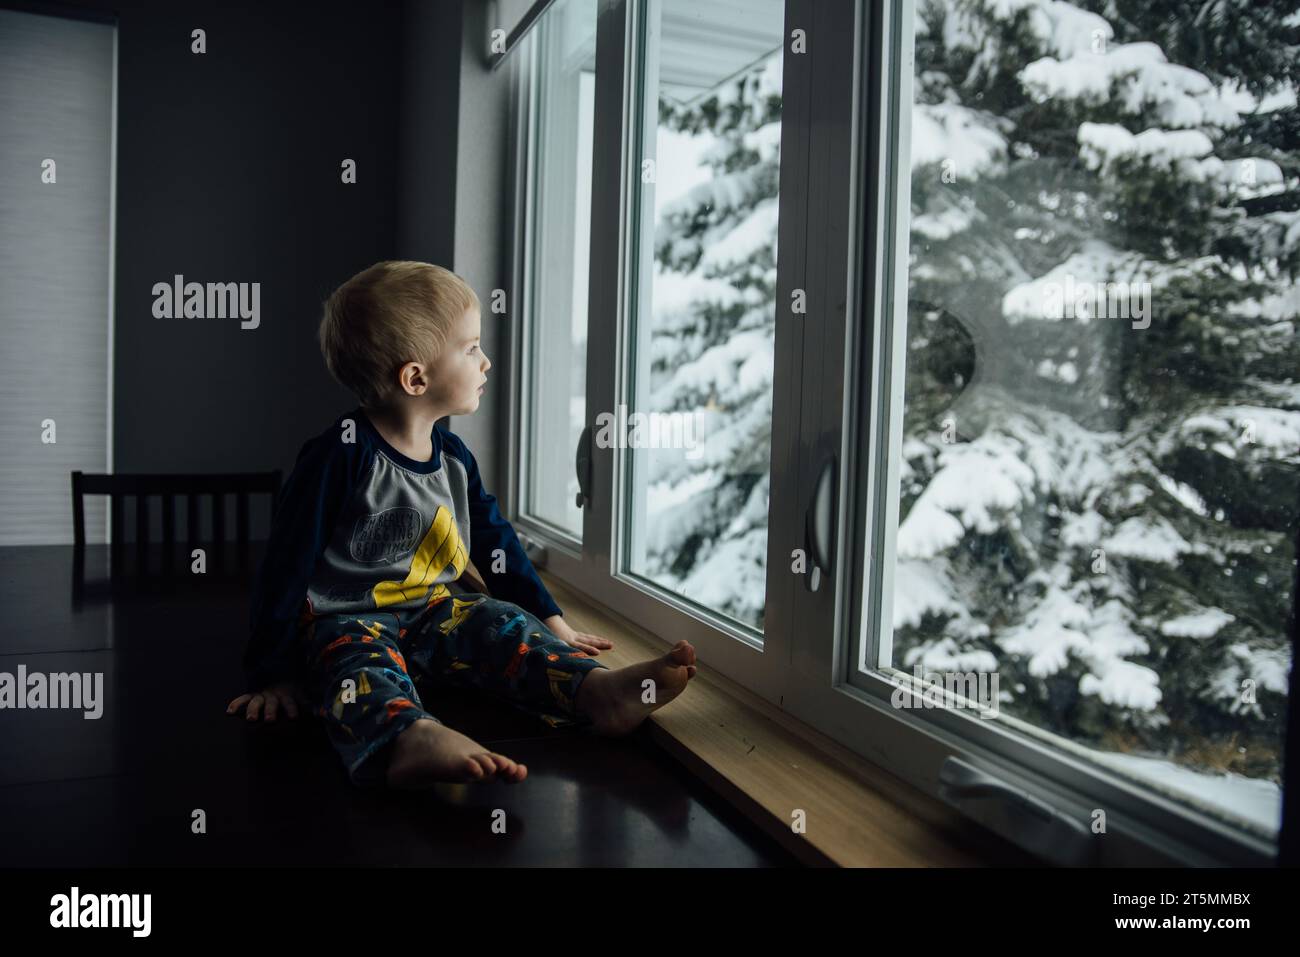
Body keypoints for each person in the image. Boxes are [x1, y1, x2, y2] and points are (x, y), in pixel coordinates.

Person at [226, 261, 696, 789]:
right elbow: (285, 566)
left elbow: (497, 542)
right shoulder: (340, 457)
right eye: (471, 348)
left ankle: (596, 693)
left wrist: (553, 622)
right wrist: (272, 674)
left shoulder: (452, 457)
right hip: (347, 620)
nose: (486, 361)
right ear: (415, 377)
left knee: (499, 625)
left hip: (433, 612)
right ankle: (411, 738)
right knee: (358, 673)